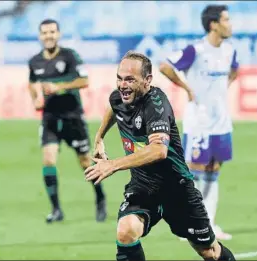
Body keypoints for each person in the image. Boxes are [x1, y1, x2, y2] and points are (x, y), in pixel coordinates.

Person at [85, 50, 236, 261]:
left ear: (147, 80)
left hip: (177, 189)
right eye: (119, 79)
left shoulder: (156, 104)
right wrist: (99, 137)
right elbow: (114, 106)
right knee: (126, 230)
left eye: (130, 79)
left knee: (209, 251)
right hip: (143, 187)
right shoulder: (119, 97)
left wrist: (113, 165)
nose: (122, 85)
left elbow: (159, 150)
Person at [159, 4, 239, 240]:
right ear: (214, 24)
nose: (230, 23)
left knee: (214, 170)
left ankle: (209, 224)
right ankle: (187, 222)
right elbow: (165, 66)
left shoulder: (230, 50)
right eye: (226, 19)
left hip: (221, 122)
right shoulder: (196, 50)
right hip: (200, 123)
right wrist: (187, 88)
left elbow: (234, 69)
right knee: (194, 172)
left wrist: (222, 90)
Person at [28, 19, 107, 223]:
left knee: (84, 162)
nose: (49, 36)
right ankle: (56, 210)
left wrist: (59, 87)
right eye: (45, 32)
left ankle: (100, 198)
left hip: (73, 117)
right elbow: (33, 84)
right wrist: (36, 98)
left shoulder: (70, 56)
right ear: (40, 36)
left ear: (59, 34)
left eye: (52, 32)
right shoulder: (35, 61)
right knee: (48, 159)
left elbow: (84, 80)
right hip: (50, 118)